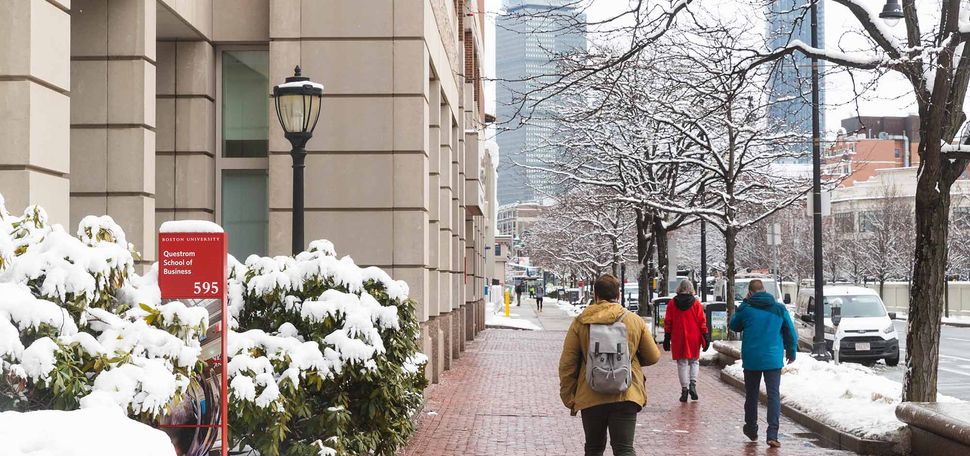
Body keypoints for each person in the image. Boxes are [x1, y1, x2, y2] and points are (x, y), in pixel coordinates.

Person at [559, 274, 661, 456]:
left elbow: (568, 363)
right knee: (624, 449)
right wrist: (631, 360)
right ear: (618, 295)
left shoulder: (581, 322)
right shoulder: (635, 321)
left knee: (593, 448)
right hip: (626, 393)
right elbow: (653, 356)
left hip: (590, 393)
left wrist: (569, 396)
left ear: (595, 295)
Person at [729, 279, 797, 449]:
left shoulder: (746, 309)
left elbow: (734, 326)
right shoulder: (779, 308)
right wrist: (791, 351)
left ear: (750, 292)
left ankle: (751, 428)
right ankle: (772, 434)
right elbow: (790, 331)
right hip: (773, 358)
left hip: (752, 358)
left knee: (751, 395)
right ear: (765, 290)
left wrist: (742, 306)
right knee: (773, 395)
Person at [662, 279, 710, 402]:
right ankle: (693, 384)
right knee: (694, 361)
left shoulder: (672, 303)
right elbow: (702, 321)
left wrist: (667, 337)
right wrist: (705, 336)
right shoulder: (696, 303)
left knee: (682, 363)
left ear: (679, 288)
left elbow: (668, 321)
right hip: (694, 336)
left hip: (678, 336)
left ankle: (684, 389)